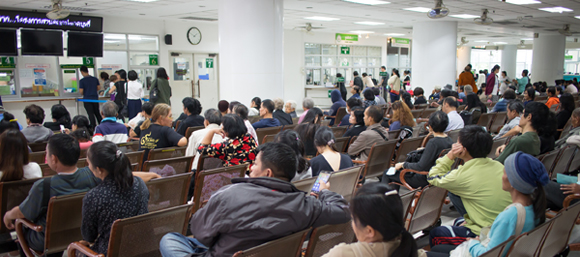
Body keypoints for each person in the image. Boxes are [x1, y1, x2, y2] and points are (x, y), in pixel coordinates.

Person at [159, 142, 350, 257]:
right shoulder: (307, 205)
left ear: (267, 173)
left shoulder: (229, 195)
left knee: (170, 239)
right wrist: (323, 191)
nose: (250, 167)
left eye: (255, 164)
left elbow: (200, 232)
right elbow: (343, 210)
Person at [428, 152, 549, 257]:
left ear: (513, 182)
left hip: (483, 251)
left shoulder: (510, 216)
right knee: (438, 249)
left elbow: (487, 254)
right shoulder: (532, 206)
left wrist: (473, 242)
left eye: (505, 173)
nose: (501, 177)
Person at [427, 126, 512, 247]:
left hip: (487, 233)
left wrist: (451, 155)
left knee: (437, 233)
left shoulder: (461, 176)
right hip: (504, 226)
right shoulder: (498, 165)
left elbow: (432, 176)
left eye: (457, 142)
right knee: (459, 221)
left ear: (464, 149)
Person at [81, 141, 149, 256]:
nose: (88, 167)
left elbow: (89, 236)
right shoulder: (139, 183)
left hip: (110, 252)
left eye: (88, 163)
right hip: (142, 247)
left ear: (99, 170)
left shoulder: (94, 196)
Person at [322, 183, 418, 257]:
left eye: (353, 219)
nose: (352, 225)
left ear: (369, 231)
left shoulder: (343, 253)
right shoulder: (415, 251)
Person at [384, 111, 453, 190]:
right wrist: (425, 150)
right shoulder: (449, 140)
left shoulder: (433, 143)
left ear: (430, 127)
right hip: (440, 175)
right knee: (394, 174)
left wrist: (403, 164)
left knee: (387, 174)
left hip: (425, 178)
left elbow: (421, 166)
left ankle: (387, 200)